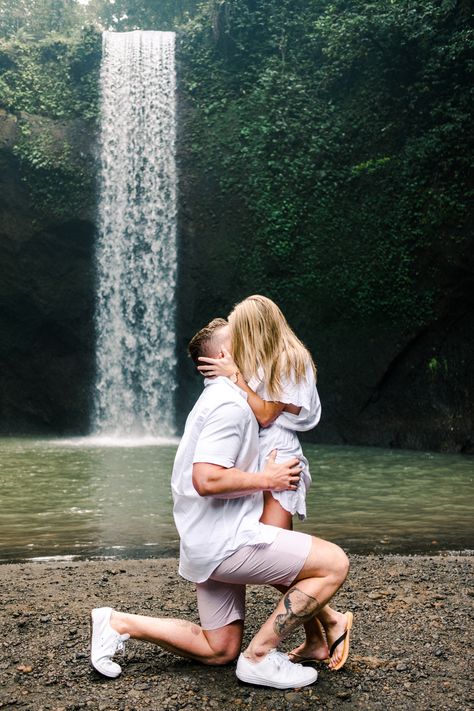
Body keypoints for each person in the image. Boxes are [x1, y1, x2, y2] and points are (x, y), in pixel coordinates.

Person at [90, 318, 350, 689]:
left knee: (219, 649)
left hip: (204, 544)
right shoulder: (230, 405)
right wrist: (268, 480)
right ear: (226, 354)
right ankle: (260, 657)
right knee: (334, 564)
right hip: (228, 543)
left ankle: (118, 622)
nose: (253, 342)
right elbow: (206, 478)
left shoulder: (218, 398)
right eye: (242, 339)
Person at [197, 296, 352, 670]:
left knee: (276, 556)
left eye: (240, 328)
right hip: (264, 462)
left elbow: (266, 415)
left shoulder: (289, 359)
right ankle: (317, 637)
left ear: (257, 326)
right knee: (276, 559)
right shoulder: (266, 359)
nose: (236, 336)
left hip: (280, 460)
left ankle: (331, 621)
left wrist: (234, 376)